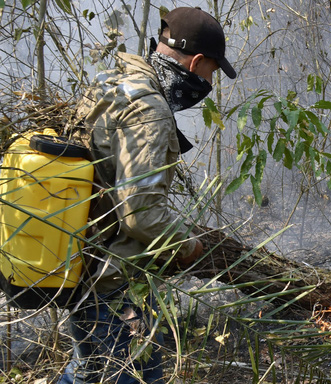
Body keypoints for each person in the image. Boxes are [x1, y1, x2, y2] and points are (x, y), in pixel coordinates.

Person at [57, 7, 236, 384]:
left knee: (94, 373)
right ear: (197, 62)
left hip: (89, 264)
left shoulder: (114, 80)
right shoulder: (149, 111)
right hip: (111, 281)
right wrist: (187, 245)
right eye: (211, 73)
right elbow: (140, 214)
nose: (208, 83)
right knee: (123, 375)